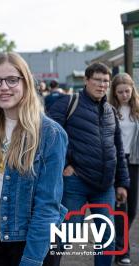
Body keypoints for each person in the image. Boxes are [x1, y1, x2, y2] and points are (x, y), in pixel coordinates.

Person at [0, 52, 68, 266]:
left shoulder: (49, 133)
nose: (3, 87)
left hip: (33, 236)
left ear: (26, 82)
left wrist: (32, 259)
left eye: (12, 80)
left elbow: (47, 206)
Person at [48, 62, 130, 266]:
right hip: (75, 183)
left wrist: (122, 182)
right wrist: (65, 164)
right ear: (86, 80)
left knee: (107, 239)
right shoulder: (68, 103)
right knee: (64, 237)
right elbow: (49, 136)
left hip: (105, 186)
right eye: (97, 80)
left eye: (105, 81)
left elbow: (118, 149)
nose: (102, 85)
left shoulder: (111, 111)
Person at [109, 73, 139, 266]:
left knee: (133, 209)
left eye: (127, 91)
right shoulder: (110, 110)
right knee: (121, 206)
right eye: (120, 92)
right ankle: (122, 250)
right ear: (115, 93)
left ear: (132, 89)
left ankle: (118, 242)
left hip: (135, 162)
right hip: (117, 162)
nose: (124, 95)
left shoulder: (137, 110)